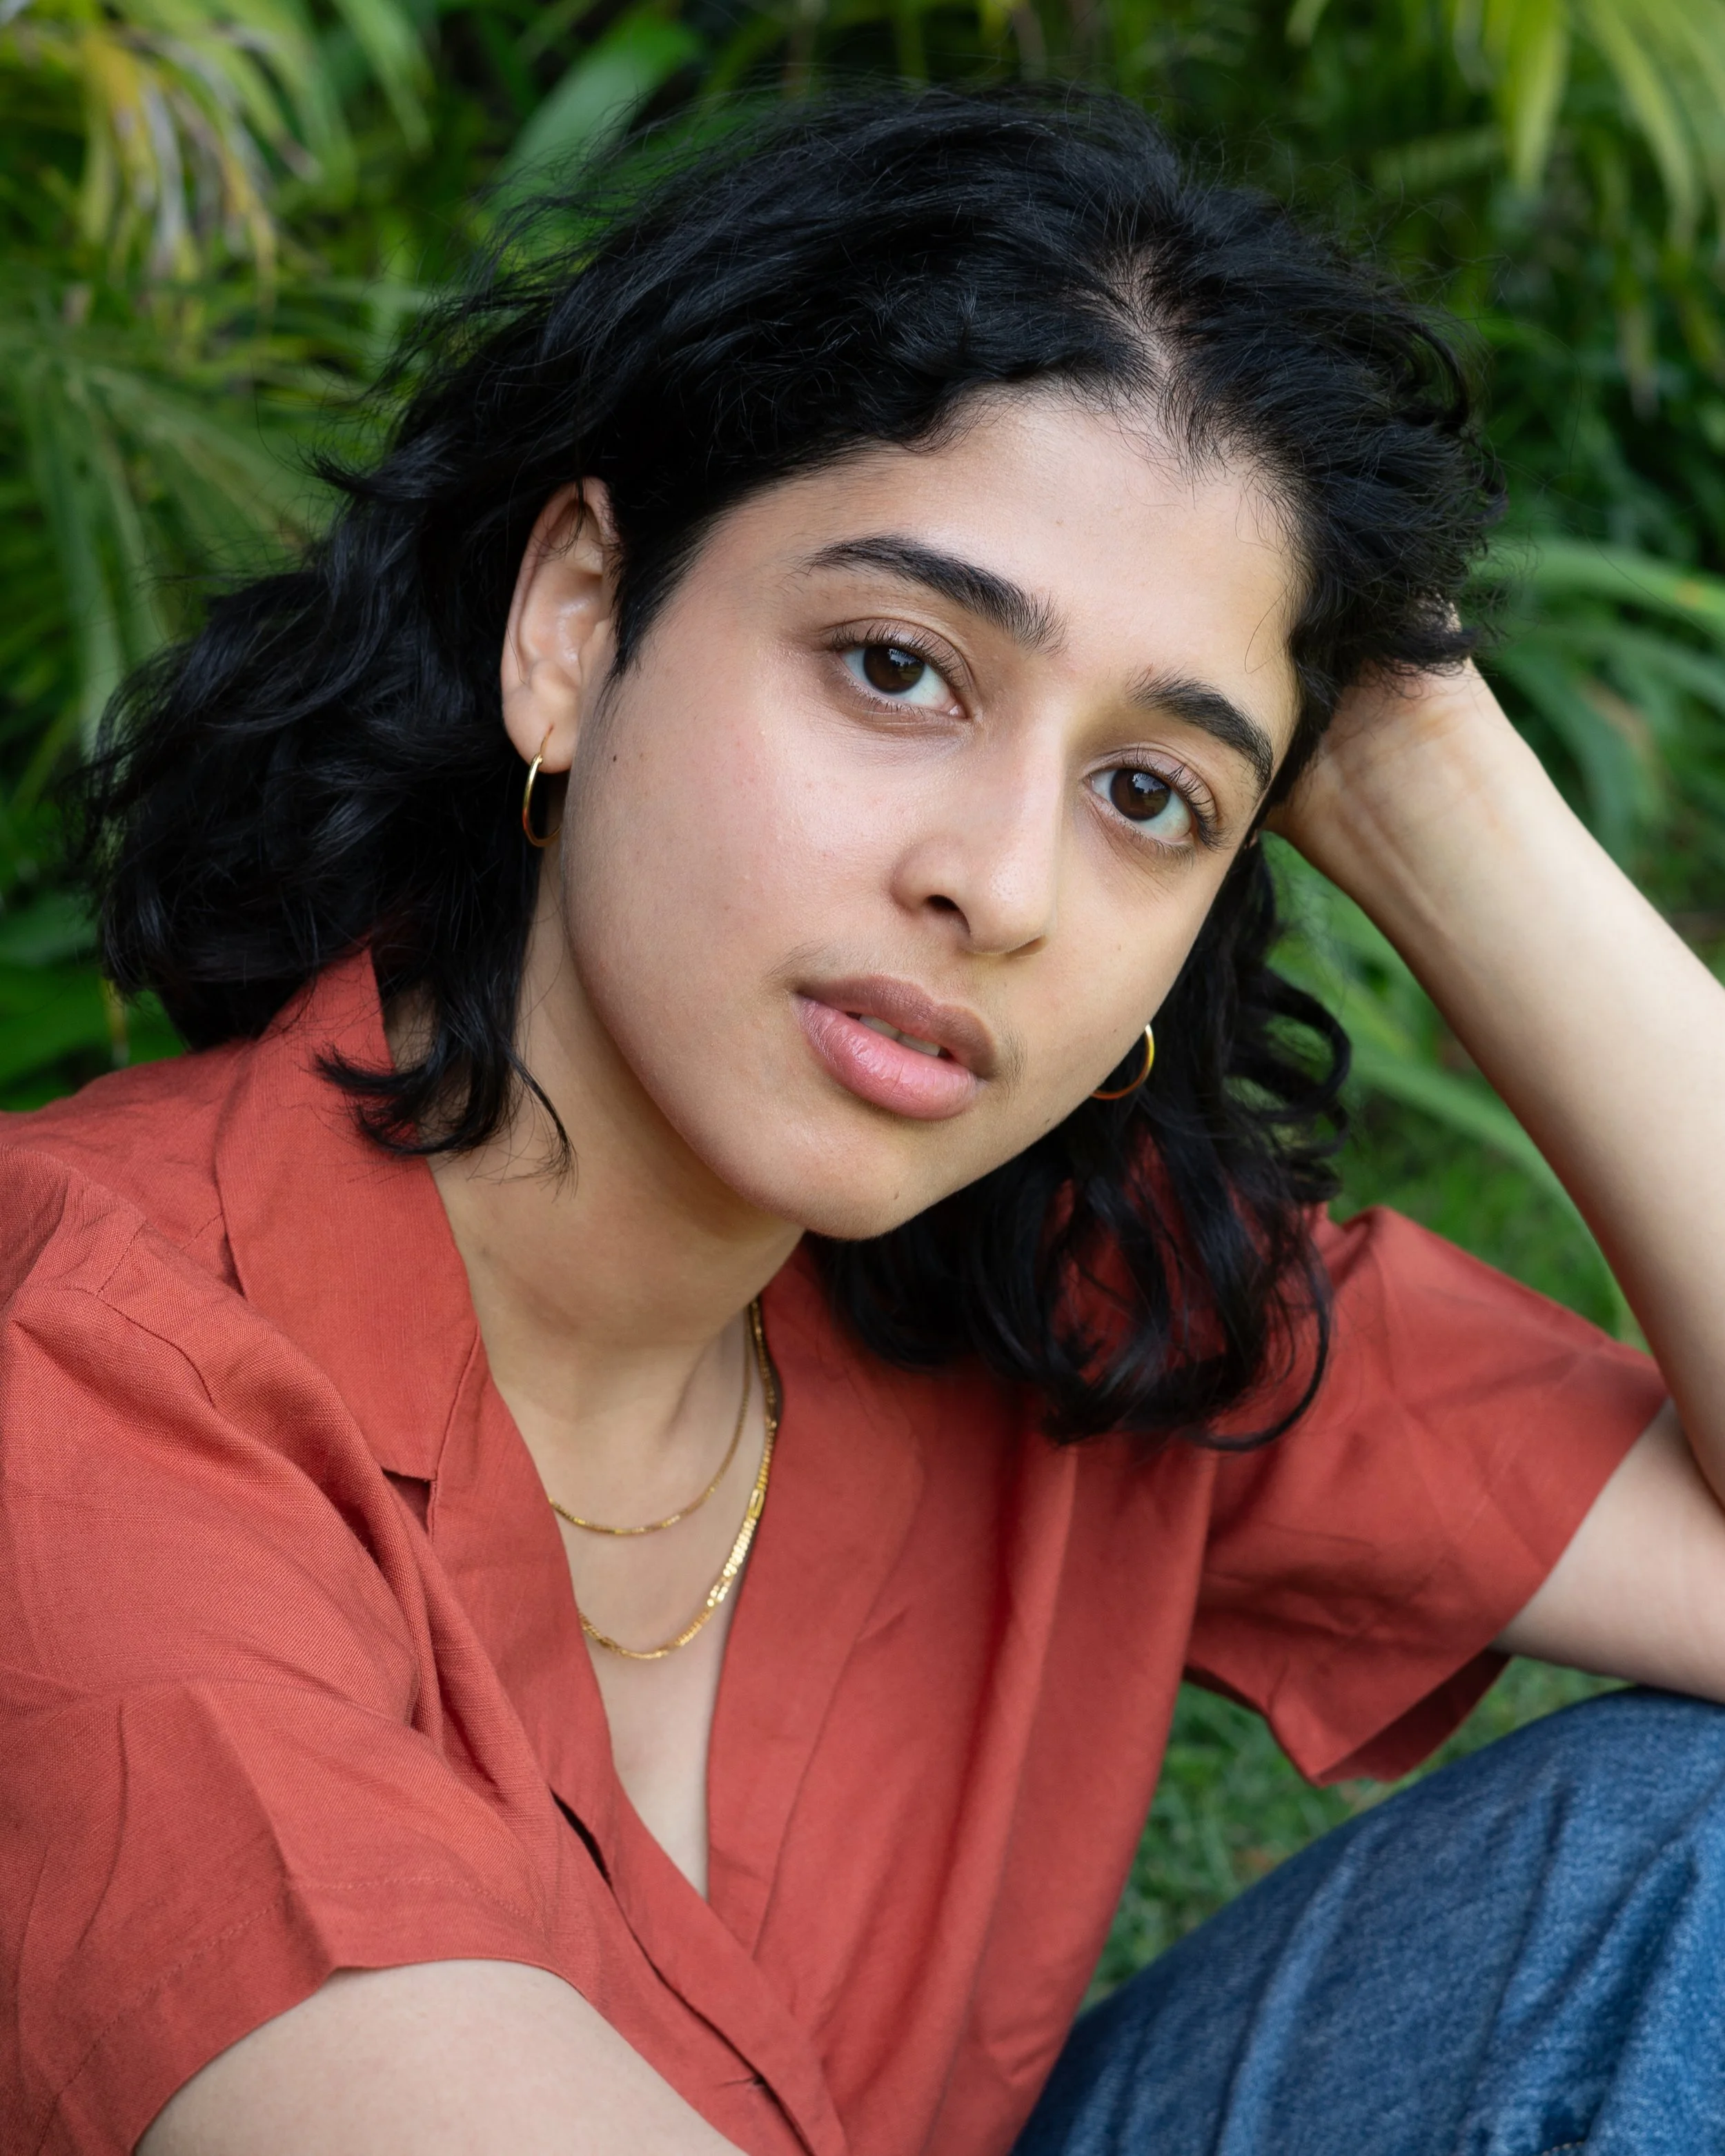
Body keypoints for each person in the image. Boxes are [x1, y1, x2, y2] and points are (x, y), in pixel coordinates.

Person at [5, 86, 1725, 2156]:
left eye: (1150, 795)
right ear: (574, 628)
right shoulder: (81, 1403)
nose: (1000, 889)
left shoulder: (1075, 1299)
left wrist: (1436, 786)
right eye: (899, 667)